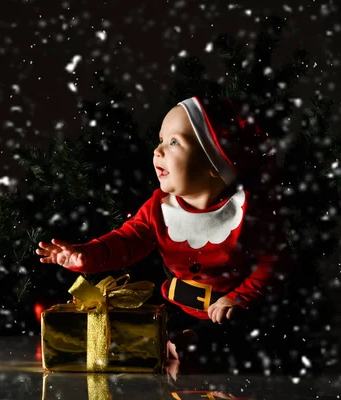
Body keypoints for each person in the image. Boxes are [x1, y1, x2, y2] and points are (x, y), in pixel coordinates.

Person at [36, 96, 294, 373]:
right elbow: (126, 241)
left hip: (232, 307)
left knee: (249, 333)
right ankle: (179, 342)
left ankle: (195, 345)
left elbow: (275, 263)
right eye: (160, 140)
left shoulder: (247, 211)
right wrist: (84, 254)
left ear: (213, 162)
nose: (158, 150)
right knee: (148, 324)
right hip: (178, 304)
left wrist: (239, 298)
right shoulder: (159, 208)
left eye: (174, 142)